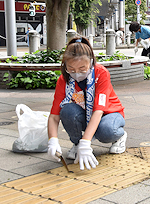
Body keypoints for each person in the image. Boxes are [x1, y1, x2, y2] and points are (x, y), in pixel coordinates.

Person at [47, 37, 127, 170]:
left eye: (82, 68)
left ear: (91, 62)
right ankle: (77, 144)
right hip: (85, 114)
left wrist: (86, 142)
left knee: (106, 130)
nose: (76, 73)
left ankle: (120, 136)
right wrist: (52, 140)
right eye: (71, 69)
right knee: (67, 111)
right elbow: (54, 115)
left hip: (109, 114)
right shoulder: (64, 80)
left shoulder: (101, 73)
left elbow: (98, 110)